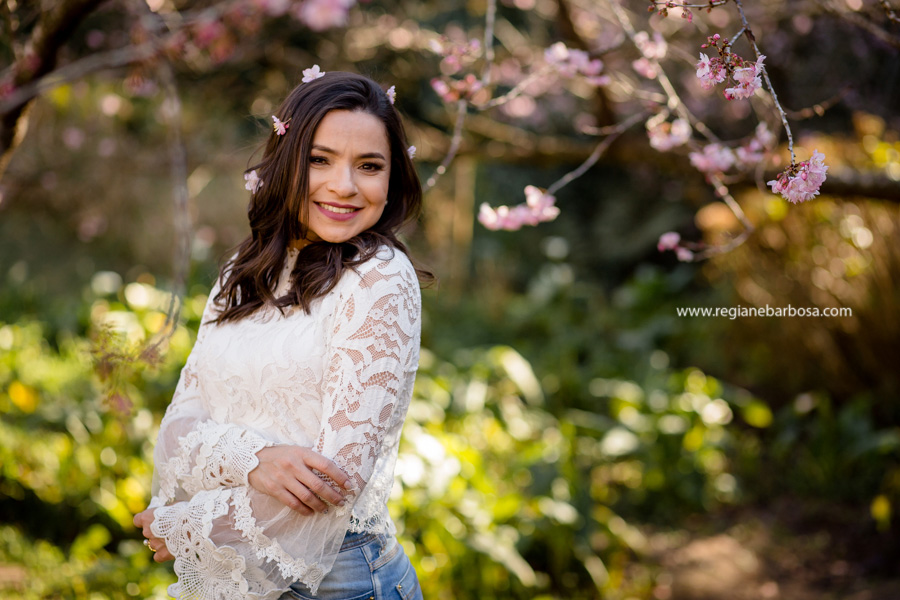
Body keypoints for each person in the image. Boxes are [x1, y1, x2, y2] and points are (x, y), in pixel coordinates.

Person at [133, 69, 429, 600]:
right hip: (244, 579)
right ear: (288, 161)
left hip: (341, 584)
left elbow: (333, 483)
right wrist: (255, 459)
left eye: (369, 166)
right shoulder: (243, 271)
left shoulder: (380, 277)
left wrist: (192, 522)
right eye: (321, 160)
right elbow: (178, 428)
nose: (344, 185)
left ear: (392, 178)